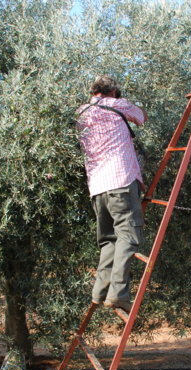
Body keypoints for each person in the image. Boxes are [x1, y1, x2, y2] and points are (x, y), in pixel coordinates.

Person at [76, 75, 148, 313]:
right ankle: (118, 294)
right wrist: (124, 103)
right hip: (121, 179)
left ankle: (99, 291)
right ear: (114, 92)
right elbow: (141, 118)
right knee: (128, 235)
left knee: (108, 240)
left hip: (97, 185)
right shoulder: (118, 104)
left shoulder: (82, 111)